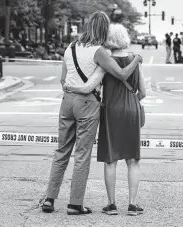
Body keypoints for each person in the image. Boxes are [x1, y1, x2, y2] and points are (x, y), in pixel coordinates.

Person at [41, 11, 143, 215]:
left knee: (61, 151)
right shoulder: (99, 51)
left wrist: (71, 90)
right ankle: (75, 204)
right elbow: (122, 73)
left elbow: (63, 79)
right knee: (82, 153)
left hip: (67, 101)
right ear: (104, 29)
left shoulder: (70, 47)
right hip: (87, 103)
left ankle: (49, 199)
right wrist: (137, 59)